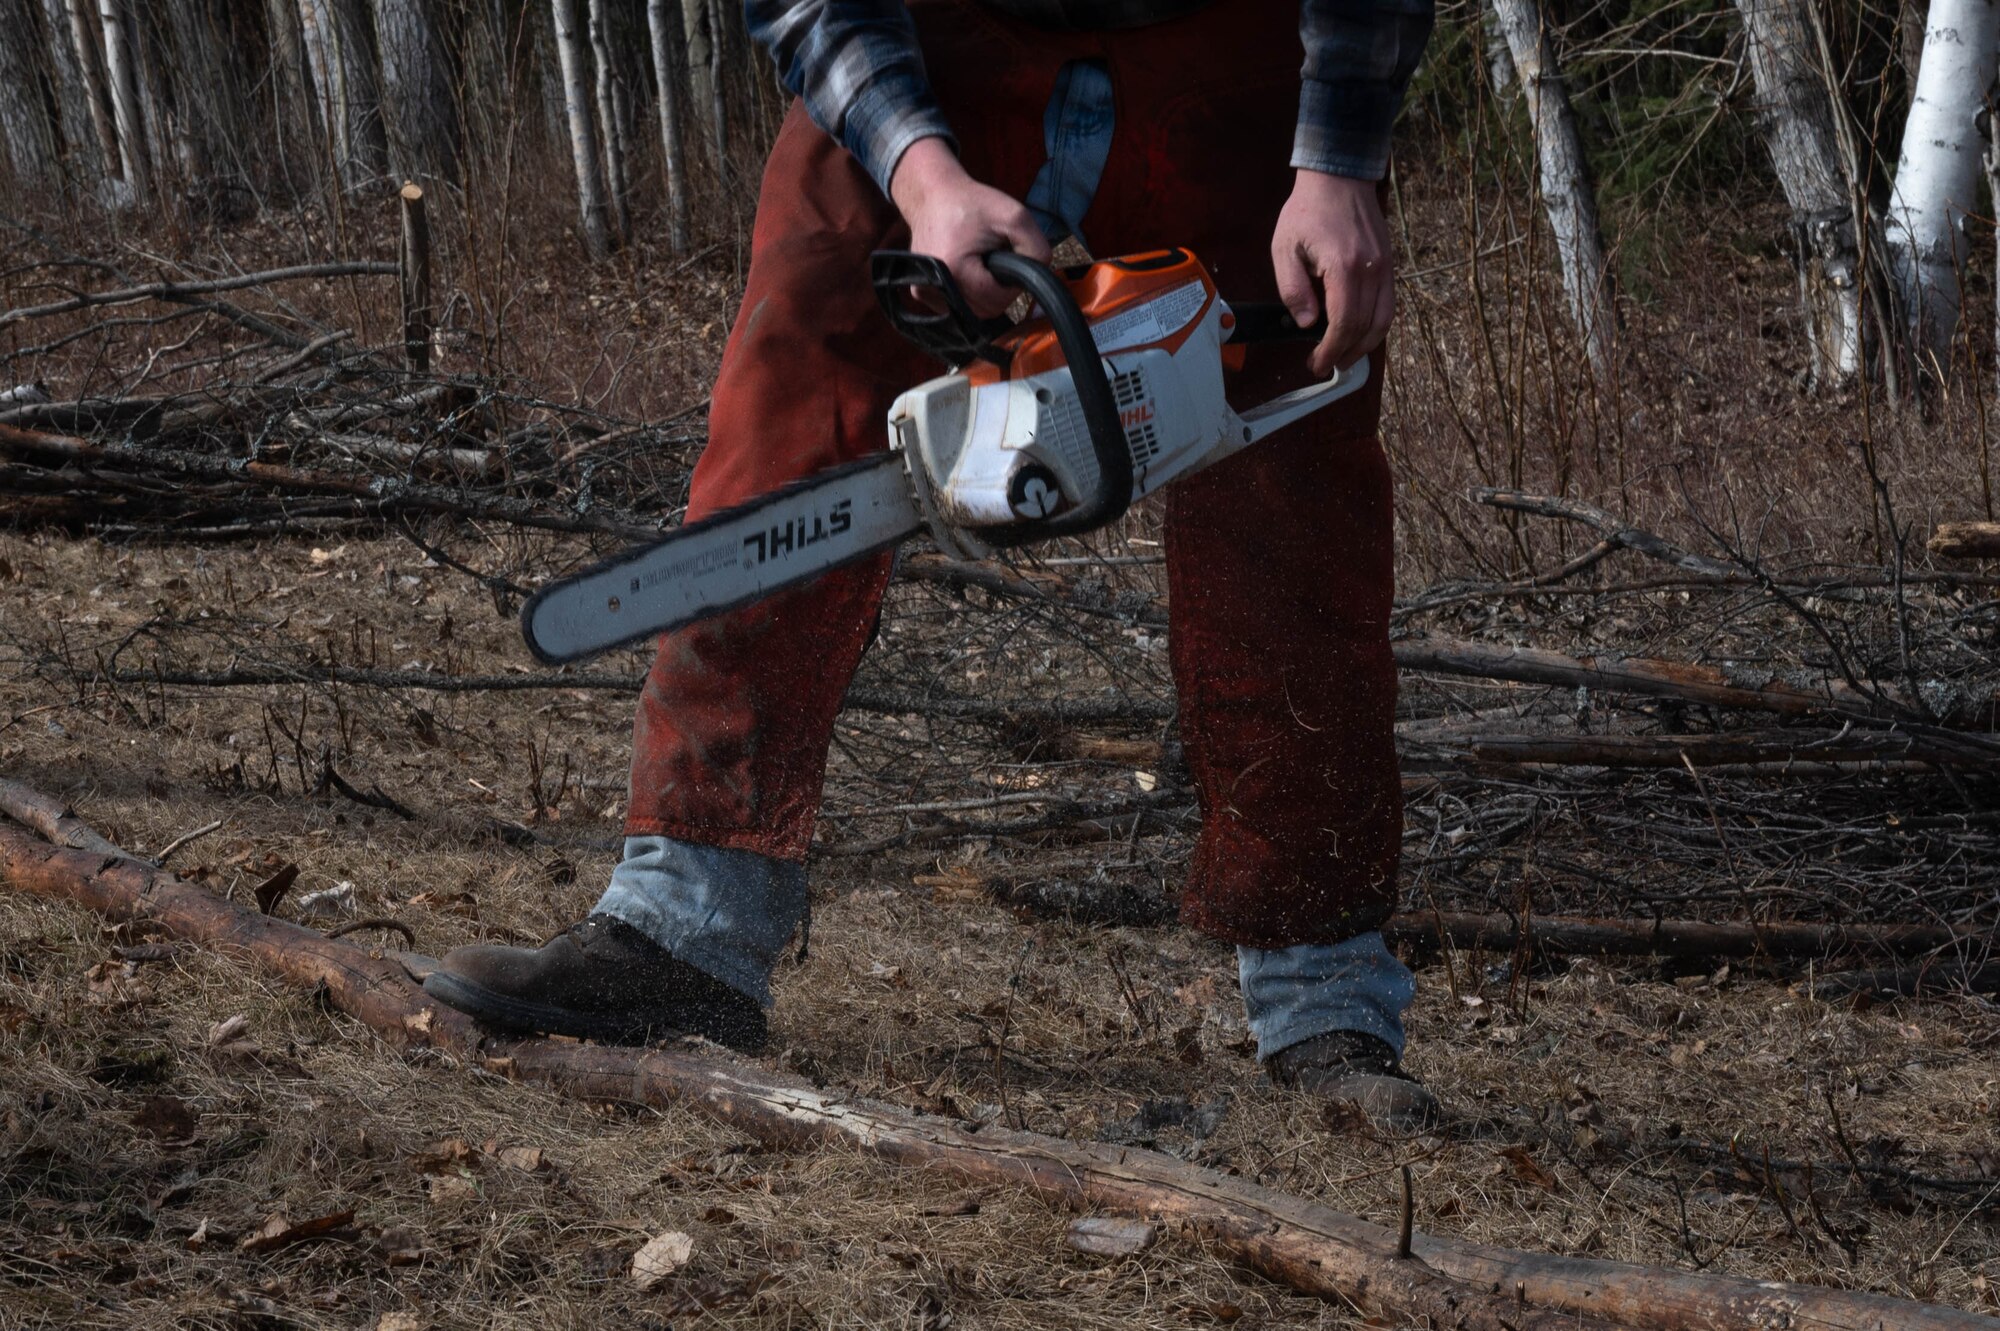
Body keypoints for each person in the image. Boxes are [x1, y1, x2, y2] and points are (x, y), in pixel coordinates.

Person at [425, 0, 1440, 1129]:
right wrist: (921, 173)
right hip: (937, 39)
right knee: (793, 384)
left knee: (1291, 471)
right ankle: (686, 920)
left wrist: (1338, 153)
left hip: (1235, 42)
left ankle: (1324, 990)